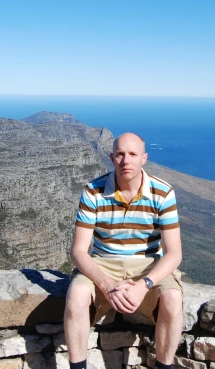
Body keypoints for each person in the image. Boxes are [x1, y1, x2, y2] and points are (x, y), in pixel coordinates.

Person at [64, 132, 183, 369]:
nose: (126, 160)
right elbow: (78, 251)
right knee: (76, 295)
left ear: (144, 158)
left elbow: (174, 253)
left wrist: (144, 285)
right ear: (111, 157)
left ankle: (164, 366)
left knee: (172, 297)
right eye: (120, 154)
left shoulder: (163, 192)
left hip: (147, 263)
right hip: (102, 262)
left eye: (132, 154)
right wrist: (106, 285)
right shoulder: (93, 191)